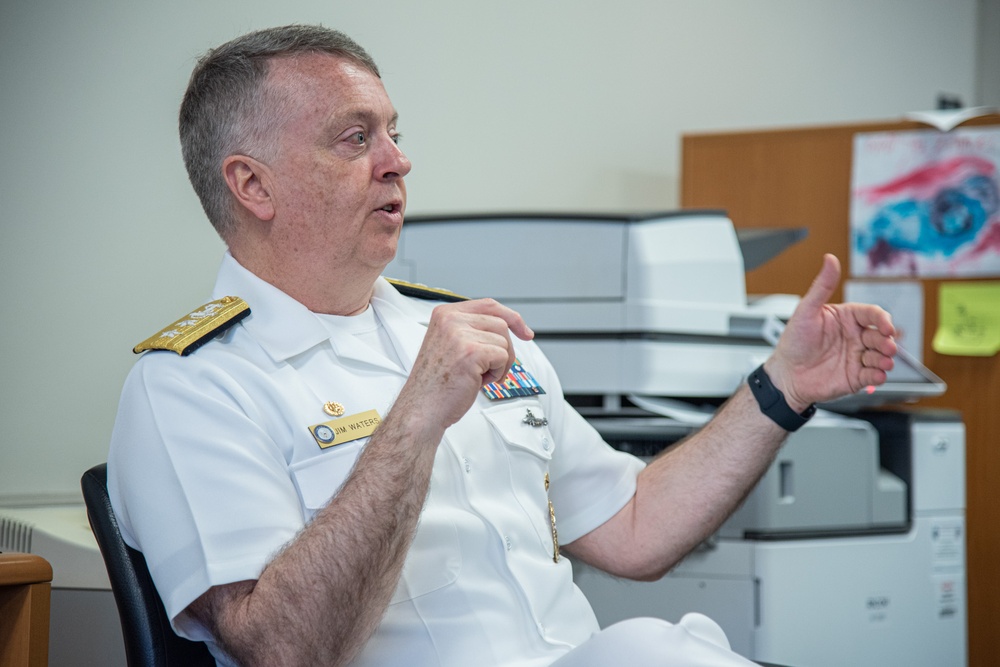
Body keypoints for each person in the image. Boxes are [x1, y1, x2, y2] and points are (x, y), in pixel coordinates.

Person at [107, 24, 897, 667]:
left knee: (655, 647)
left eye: (393, 133)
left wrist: (782, 386)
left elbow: (634, 527)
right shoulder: (194, 386)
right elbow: (283, 652)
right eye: (354, 138)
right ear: (253, 185)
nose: (397, 160)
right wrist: (415, 419)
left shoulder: (461, 330)